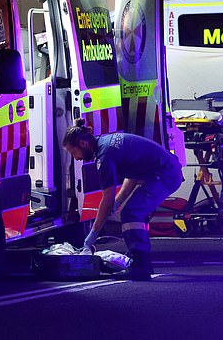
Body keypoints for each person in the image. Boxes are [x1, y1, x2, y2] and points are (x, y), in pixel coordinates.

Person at [62, 119, 183, 281]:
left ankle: (140, 266)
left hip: (165, 174)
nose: (76, 158)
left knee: (132, 212)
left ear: (83, 144)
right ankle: (141, 261)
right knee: (134, 212)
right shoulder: (107, 143)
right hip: (166, 171)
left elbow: (107, 198)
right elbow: (132, 175)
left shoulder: (104, 156)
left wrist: (92, 235)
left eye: (73, 152)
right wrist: (118, 202)